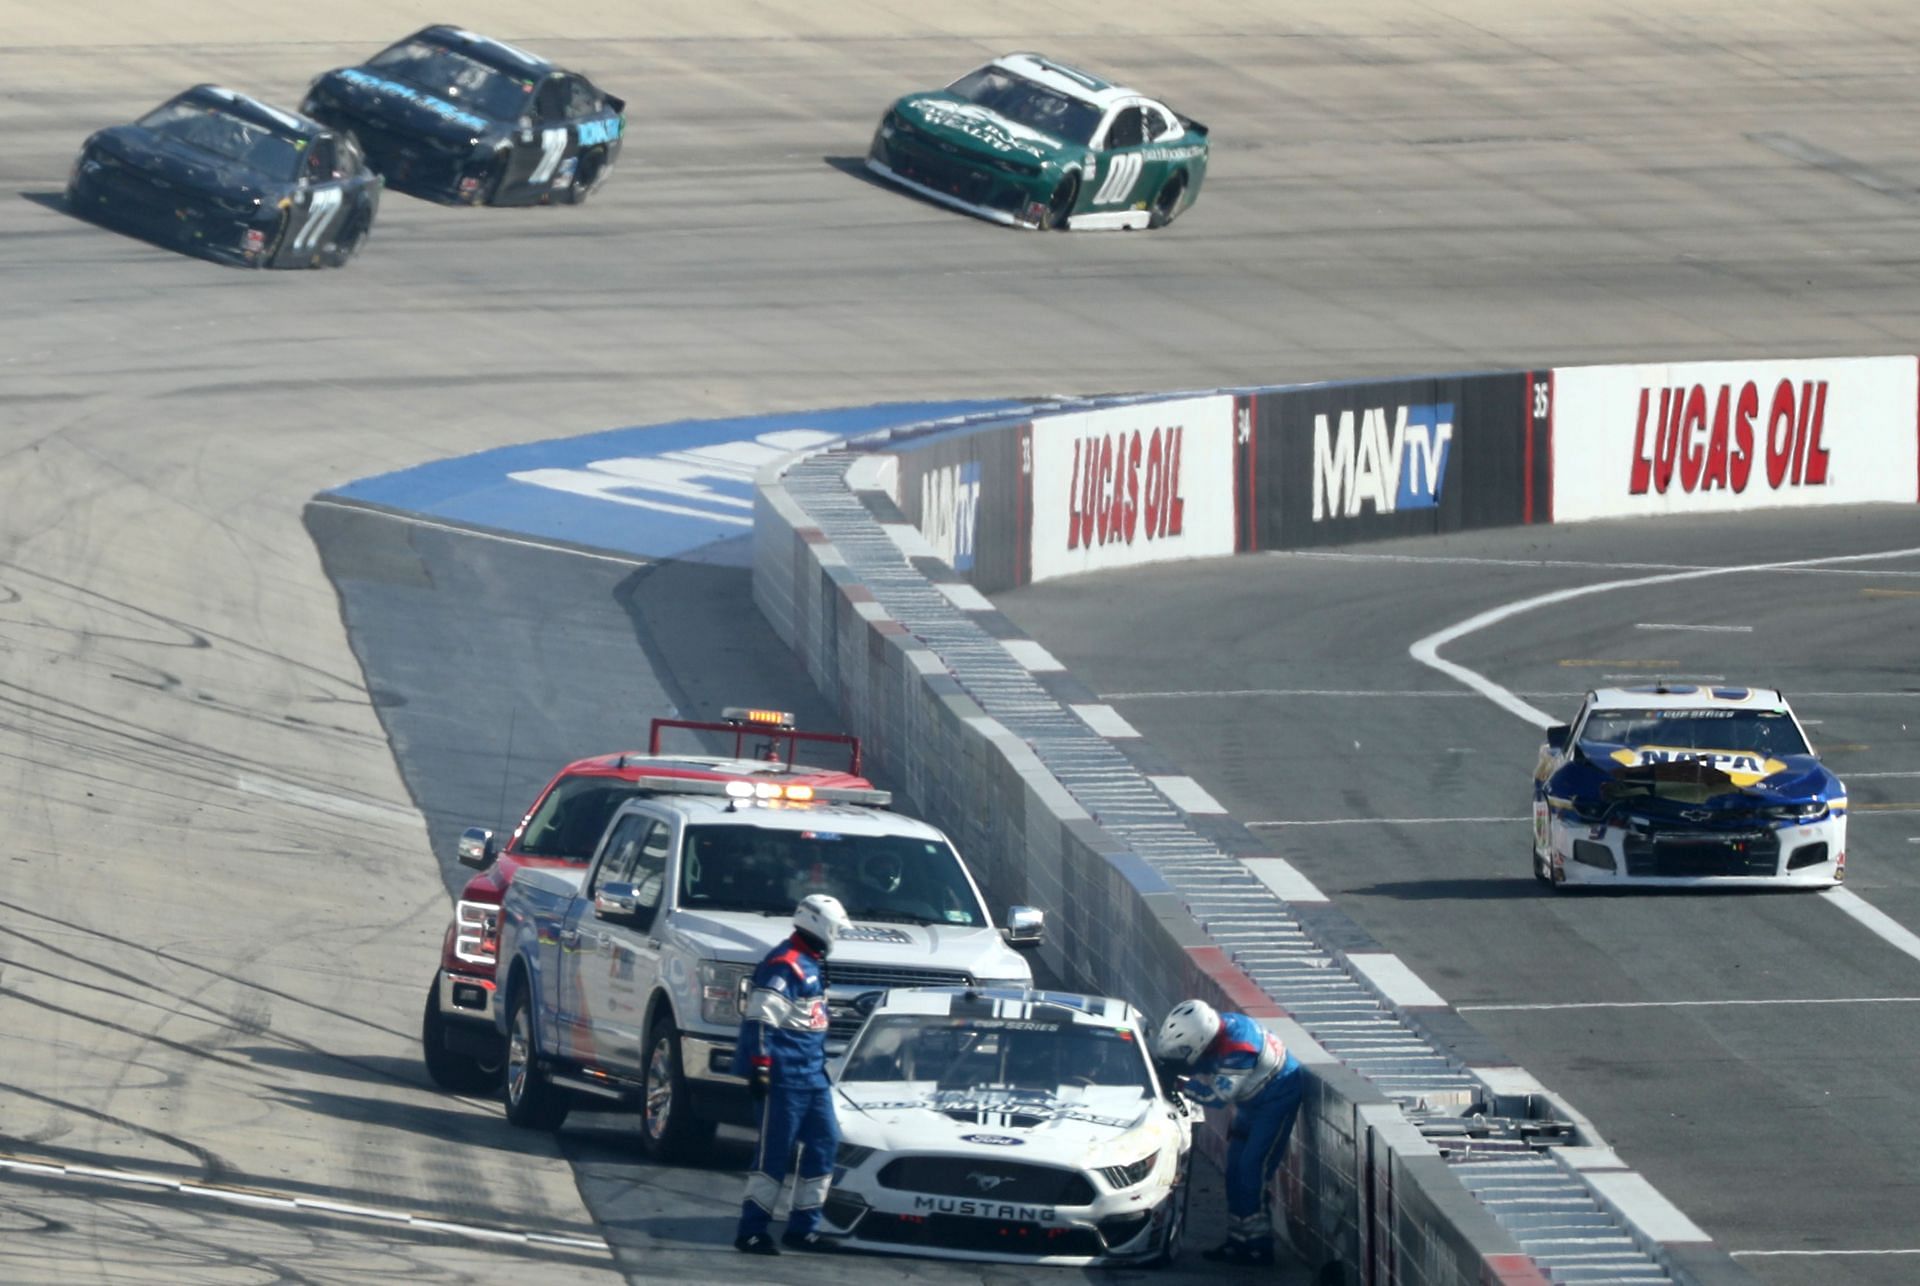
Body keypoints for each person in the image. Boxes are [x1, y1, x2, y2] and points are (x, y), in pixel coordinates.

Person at [731, 893, 852, 1255]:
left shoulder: (811, 963)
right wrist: (762, 1068)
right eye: (836, 929)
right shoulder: (787, 965)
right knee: (773, 1156)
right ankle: (751, 1231)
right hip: (784, 1080)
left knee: (824, 1145)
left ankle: (804, 1227)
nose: (838, 937)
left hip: (813, 1077)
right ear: (821, 926)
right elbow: (761, 1018)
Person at [1151, 999, 1304, 1267]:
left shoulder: (1239, 1049)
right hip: (1252, 1100)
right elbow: (1206, 1062)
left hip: (1276, 1101)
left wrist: (1177, 1082)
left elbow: (1217, 1096)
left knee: (1250, 1171)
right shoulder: (1216, 1029)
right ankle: (1237, 1241)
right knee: (1233, 1171)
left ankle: (1259, 1245)